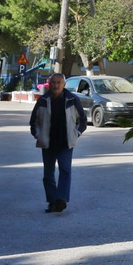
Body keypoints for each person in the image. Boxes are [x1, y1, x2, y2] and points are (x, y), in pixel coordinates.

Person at [29, 72, 87, 212]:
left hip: (66, 142)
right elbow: (33, 121)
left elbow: (82, 120)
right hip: (48, 143)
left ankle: (61, 199)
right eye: (53, 82)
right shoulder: (43, 100)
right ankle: (52, 201)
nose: (55, 85)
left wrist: (76, 133)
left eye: (58, 83)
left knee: (65, 170)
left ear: (64, 84)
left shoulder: (72, 99)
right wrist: (38, 134)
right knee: (48, 174)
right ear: (49, 84)